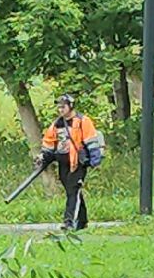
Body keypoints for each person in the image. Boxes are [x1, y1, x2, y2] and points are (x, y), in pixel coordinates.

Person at [38, 94, 105, 230]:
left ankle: (69, 222)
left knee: (73, 190)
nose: (60, 110)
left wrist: (94, 158)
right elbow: (49, 142)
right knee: (73, 191)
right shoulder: (57, 124)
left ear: (71, 106)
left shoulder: (82, 121)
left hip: (78, 162)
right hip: (63, 163)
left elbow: (91, 140)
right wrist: (43, 157)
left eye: (63, 107)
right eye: (59, 107)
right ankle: (82, 221)